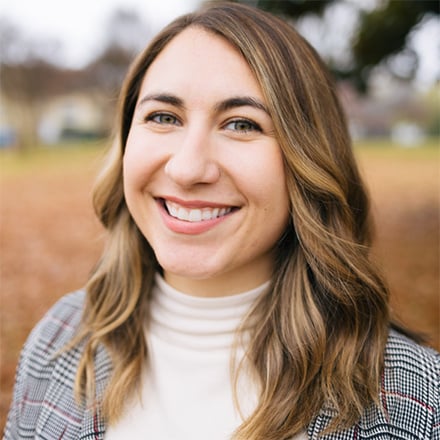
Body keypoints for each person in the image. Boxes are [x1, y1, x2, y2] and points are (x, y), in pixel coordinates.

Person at [4, 2, 439, 440]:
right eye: (163, 117)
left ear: (308, 159)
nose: (188, 169)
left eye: (242, 124)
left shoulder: (415, 398)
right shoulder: (58, 340)